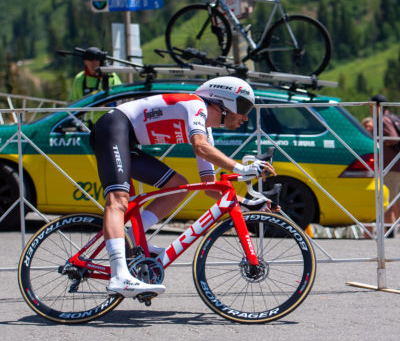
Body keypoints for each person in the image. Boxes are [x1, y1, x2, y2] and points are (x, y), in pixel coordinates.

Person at [92, 76, 274, 297]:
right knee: (118, 200)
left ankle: (128, 238)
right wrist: (241, 168)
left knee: (179, 186)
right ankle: (119, 276)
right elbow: (199, 148)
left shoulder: (206, 132)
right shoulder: (195, 105)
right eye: (244, 107)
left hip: (127, 141)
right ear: (224, 102)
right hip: (112, 128)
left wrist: (247, 204)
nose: (246, 117)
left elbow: (209, 186)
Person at [371, 95, 400, 238]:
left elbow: (393, 138)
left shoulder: (383, 119)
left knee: (391, 200)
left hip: (391, 166)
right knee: (394, 199)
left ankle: (398, 231)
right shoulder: (391, 118)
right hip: (396, 165)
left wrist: (377, 141)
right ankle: (397, 230)